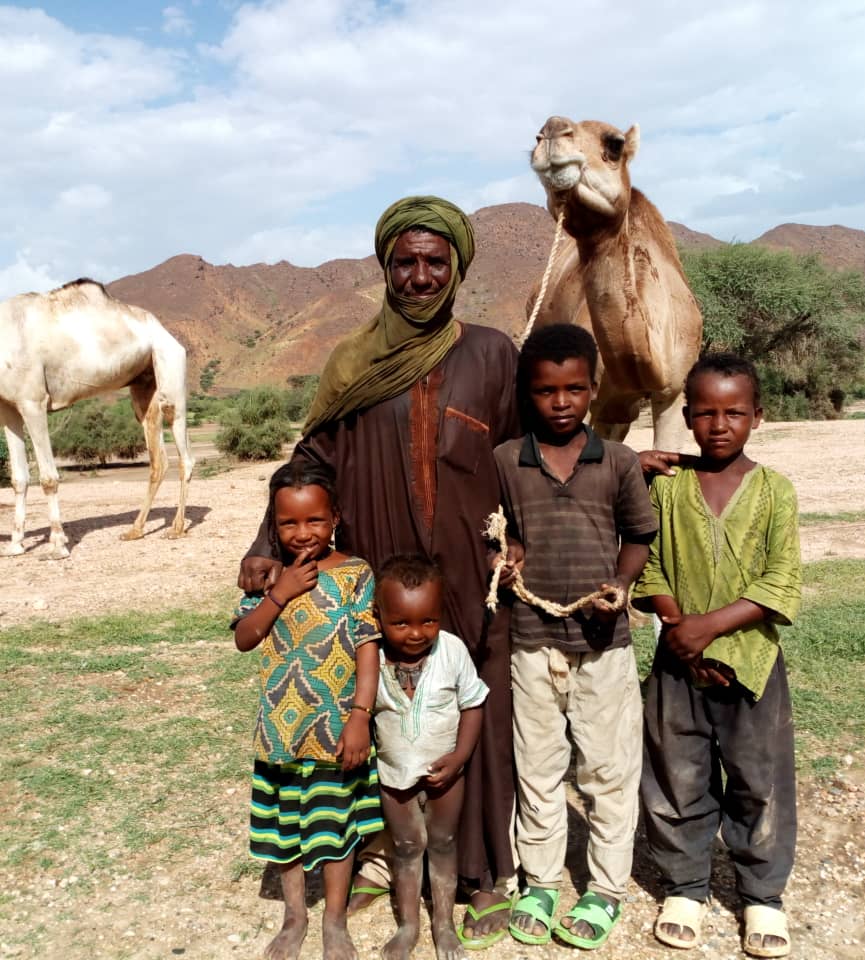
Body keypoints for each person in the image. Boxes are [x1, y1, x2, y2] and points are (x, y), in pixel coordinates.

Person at [238, 196, 519, 945]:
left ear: (457, 267)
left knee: (473, 705)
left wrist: (536, 527)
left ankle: (483, 873)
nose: (420, 277)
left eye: (435, 262)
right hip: (378, 569)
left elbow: (521, 455)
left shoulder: (493, 353)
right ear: (385, 268)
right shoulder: (354, 360)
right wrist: (266, 541)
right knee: (381, 706)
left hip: (471, 570)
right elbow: (311, 459)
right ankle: (374, 856)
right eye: (405, 262)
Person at [491, 324, 658, 950]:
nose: (560, 402)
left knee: (608, 768)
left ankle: (606, 888)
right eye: (545, 391)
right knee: (537, 767)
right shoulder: (507, 460)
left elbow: (638, 535)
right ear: (527, 393)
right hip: (532, 638)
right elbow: (504, 532)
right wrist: (507, 556)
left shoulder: (617, 461)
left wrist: (621, 583)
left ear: (593, 388)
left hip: (603, 641)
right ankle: (539, 882)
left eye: (575, 389)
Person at [632, 353, 802, 959]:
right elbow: (650, 565)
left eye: (734, 412)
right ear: (686, 417)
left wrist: (708, 628)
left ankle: (762, 894)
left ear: (758, 416)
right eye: (705, 413)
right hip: (678, 662)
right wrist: (680, 630)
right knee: (677, 773)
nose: (720, 425)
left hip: (751, 663)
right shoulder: (668, 487)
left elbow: (781, 579)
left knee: (760, 779)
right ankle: (686, 886)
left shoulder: (775, 491)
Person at [232, 461, 383, 960]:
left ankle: (334, 920)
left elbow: (367, 648)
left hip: (336, 729)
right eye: (288, 523)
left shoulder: (356, 574)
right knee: (285, 829)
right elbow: (245, 638)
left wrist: (360, 715)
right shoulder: (265, 576)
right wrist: (280, 592)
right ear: (273, 525)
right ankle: (294, 915)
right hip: (281, 731)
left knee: (336, 827)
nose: (302, 533)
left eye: (315, 520)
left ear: (335, 516)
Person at [371, 555, 489, 960]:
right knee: (406, 845)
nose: (417, 633)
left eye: (428, 621)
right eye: (401, 623)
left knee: (443, 842)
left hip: (447, 773)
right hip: (394, 772)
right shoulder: (371, 657)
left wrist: (459, 757)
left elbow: (473, 704)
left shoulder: (451, 650)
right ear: (379, 616)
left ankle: (444, 924)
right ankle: (408, 925)